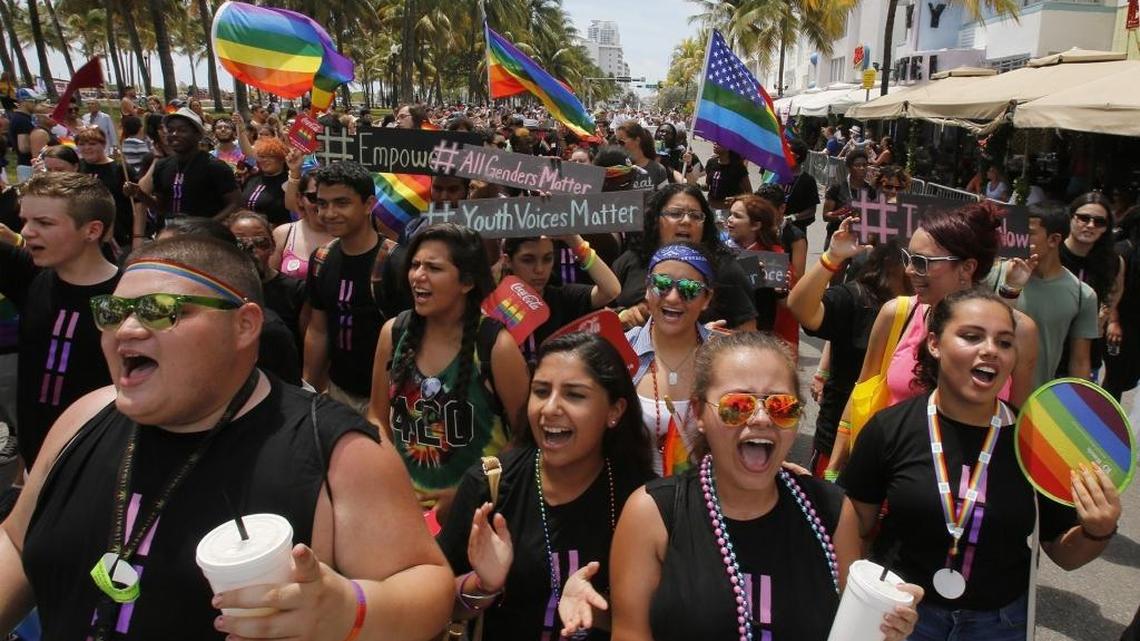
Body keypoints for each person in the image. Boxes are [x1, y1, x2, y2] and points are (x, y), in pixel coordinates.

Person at [0, 234, 455, 641]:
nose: (128, 329)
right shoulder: (83, 417)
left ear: (244, 325)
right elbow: (17, 545)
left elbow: (427, 587)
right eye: (112, 312)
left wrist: (350, 612)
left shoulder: (337, 450)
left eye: (160, 310)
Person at [840, 289, 1120, 641]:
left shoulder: (1036, 443)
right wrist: (857, 601)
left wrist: (1098, 530)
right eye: (972, 336)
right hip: (900, 617)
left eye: (1004, 342)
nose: (990, 350)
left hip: (1000, 625)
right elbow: (854, 522)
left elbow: (1064, 553)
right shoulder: (889, 428)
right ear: (935, 344)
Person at [610, 331, 922, 641]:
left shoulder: (833, 513)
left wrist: (882, 631)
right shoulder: (652, 514)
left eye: (781, 406)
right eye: (738, 405)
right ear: (698, 412)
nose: (761, 418)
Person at [438, 333, 656, 640]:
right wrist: (484, 585)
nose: (550, 408)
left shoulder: (645, 500)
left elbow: (666, 622)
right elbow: (436, 604)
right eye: (540, 392)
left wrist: (599, 613)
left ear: (614, 411)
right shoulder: (489, 485)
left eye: (574, 395)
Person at [827, 202, 1039, 474]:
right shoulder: (896, 314)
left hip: (970, 483)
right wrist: (834, 469)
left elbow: (1018, 421)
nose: (908, 270)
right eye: (908, 258)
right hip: (888, 475)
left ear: (966, 268)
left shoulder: (1020, 331)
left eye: (922, 262)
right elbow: (862, 393)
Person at [367, 223, 530, 521]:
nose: (418, 276)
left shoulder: (497, 347)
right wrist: (388, 473)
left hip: (478, 516)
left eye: (433, 268)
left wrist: (470, 491)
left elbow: (525, 438)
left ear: (467, 282)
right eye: (415, 265)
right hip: (404, 511)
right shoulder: (393, 333)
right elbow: (377, 416)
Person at [0, 172, 120, 470]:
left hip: (96, 462)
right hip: (36, 457)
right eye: (25, 220)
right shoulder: (34, 278)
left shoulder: (127, 297)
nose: (26, 232)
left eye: (44, 223)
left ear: (92, 230)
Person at [787, 220, 910, 477]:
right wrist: (832, 257)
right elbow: (801, 308)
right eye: (913, 256)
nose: (921, 267)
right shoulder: (858, 297)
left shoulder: (939, 309)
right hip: (841, 441)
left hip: (904, 448)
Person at [611, 184, 758, 332]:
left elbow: (749, 333)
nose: (687, 221)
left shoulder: (725, 269)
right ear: (656, 219)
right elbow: (603, 313)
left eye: (695, 216)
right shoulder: (631, 260)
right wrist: (621, 317)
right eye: (675, 213)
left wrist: (709, 339)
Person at [302, 161, 386, 414]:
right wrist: (308, 388)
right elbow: (318, 329)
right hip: (338, 393)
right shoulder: (321, 259)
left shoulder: (395, 263)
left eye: (341, 203)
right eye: (322, 203)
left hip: (388, 400)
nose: (329, 213)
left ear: (368, 205)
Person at [625, 243, 714, 476]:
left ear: (707, 298)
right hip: (635, 490)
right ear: (647, 289)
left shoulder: (725, 356)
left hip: (704, 491)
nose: (673, 298)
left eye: (689, 289)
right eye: (661, 284)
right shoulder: (622, 349)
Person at [989, 202, 1099, 387]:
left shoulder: (1083, 295)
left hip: (1035, 399)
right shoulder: (995, 274)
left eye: (1028, 233)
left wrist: (1080, 402)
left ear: (1053, 240)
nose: (1019, 238)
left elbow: (1080, 362)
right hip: (984, 393)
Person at [501, 234, 621, 367]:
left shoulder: (563, 298)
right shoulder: (495, 305)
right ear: (507, 261)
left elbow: (611, 290)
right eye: (528, 260)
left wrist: (574, 240)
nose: (539, 269)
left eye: (547, 259)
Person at [126, 107, 241, 220]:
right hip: (171, 230)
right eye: (170, 130)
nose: (174, 134)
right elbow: (161, 207)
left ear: (198, 135)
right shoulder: (162, 166)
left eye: (182, 130)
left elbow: (235, 203)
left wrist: (208, 225)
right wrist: (139, 194)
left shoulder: (215, 167)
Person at [1055, 192, 1122, 379]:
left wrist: (1104, 317)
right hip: (1049, 349)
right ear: (1071, 218)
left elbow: (1114, 293)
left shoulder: (1113, 262)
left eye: (1099, 222)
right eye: (1084, 218)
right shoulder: (1052, 252)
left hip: (1087, 354)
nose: (1091, 225)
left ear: (1106, 228)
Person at [725, 195, 799, 350]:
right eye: (730, 214)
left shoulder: (773, 258)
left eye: (737, 216)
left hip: (759, 342)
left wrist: (781, 292)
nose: (729, 219)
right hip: (725, 335)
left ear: (755, 225)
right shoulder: (723, 250)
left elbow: (788, 307)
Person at [230, 211, 307, 354]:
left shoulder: (296, 290)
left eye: (260, 242)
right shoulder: (222, 289)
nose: (251, 249)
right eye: (240, 243)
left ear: (272, 246)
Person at [76, 126, 138, 249]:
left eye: (92, 144)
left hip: (119, 234)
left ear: (103, 144)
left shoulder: (121, 169)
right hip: (85, 232)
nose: (87, 148)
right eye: (82, 144)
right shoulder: (77, 167)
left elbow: (137, 202)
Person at [276, 160, 334, 280]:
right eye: (314, 197)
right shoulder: (283, 234)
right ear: (300, 199)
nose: (321, 204)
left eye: (330, 198)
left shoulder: (352, 236)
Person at [822, 150, 873, 250]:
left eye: (864, 165)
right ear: (849, 167)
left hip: (859, 241)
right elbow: (826, 216)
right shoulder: (837, 188)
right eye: (857, 165)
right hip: (837, 238)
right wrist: (844, 214)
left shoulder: (871, 191)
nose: (862, 168)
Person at [241, 136, 293, 227]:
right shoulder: (252, 178)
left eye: (271, 157)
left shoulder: (289, 182)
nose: (264, 160)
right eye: (262, 156)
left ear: (282, 159)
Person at [781, 139, 820, 235]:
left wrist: (793, 218)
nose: (783, 153)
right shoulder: (776, 174)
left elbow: (811, 210)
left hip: (796, 231)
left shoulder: (808, 180)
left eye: (787, 151)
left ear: (797, 156)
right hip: (773, 230)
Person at [616, 122, 668, 190]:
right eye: (617, 142)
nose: (618, 146)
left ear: (637, 140)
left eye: (621, 142)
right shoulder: (616, 170)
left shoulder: (658, 170)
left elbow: (665, 195)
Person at [700, 143, 751, 211]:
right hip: (710, 207)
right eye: (715, 142)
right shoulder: (711, 162)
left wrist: (736, 199)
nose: (715, 144)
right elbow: (707, 185)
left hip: (728, 210)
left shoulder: (738, 168)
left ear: (728, 148)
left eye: (719, 143)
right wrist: (697, 185)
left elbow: (749, 193)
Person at [8, 88, 41, 181]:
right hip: (28, 166)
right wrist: (41, 146)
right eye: (34, 101)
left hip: (29, 165)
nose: (36, 104)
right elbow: (23, 147)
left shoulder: (24, 118)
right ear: (24, 102)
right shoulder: (21, 120)